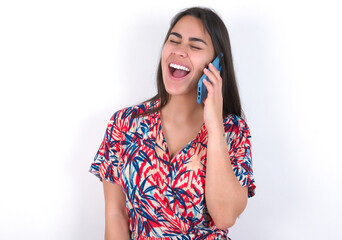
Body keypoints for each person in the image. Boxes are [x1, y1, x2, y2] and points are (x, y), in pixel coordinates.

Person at [89, 7, 256, 240]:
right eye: (174, 41)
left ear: (216, 65)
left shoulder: (233, 131)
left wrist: (215, 125)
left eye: (195, 46)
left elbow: (225, 216)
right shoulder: (125, 124)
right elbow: (116, 214)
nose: (179, 51)